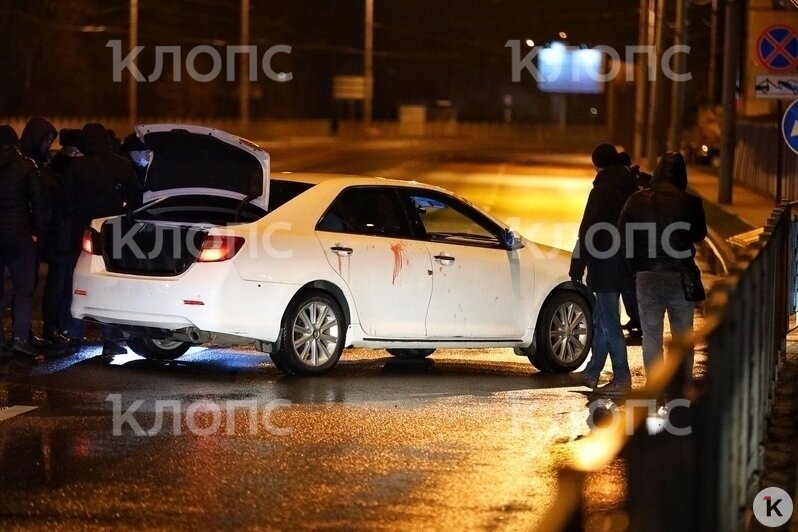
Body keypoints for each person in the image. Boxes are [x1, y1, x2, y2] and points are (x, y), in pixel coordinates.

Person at [617, 152, 707, 383]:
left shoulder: (636, 200)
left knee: (651, 336)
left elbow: (623, 235)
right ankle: (681, 388)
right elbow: (699, 234)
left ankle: (655, 387)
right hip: (680, 277)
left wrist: (633, 267)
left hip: (647, 276)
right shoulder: (690, 202)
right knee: (682, 338)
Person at [569, 143, 636, 395]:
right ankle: (592, 373)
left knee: (608, 322)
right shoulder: (629, 186)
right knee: (601, 317)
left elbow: (589, 229)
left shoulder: (602, 190)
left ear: (596, 163)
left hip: (606, 263)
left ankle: (622, 379)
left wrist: (578, 263)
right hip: (624, 263)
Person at [67, 123, 139, 358]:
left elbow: (64, 201)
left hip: (81, 231)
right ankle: (111, 338)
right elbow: (136, 199)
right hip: (114, 232)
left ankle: (74, 335)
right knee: (110, 283)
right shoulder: (122, 165)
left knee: (78, 283)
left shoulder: (77, 167)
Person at [0, 125, 45, 358]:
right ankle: (20, 339)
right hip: (20, 236)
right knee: (24, 288)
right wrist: (36, 231)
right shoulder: (27, 166)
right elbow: (38, 202)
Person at [42, 128, 85, 350]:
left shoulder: (60, 168)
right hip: (61, 238)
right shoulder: (60, 171)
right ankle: (53, 328)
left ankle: (59, 327)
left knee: (65, 284)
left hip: (65, 237)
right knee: (58, 285)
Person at [616, 152, 646, 341]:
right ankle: (635, 319)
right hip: (636, 241)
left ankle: (640, 321)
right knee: (628, 285)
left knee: (630, 284)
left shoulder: (634, 184)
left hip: (636, 242)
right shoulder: (634, 182)